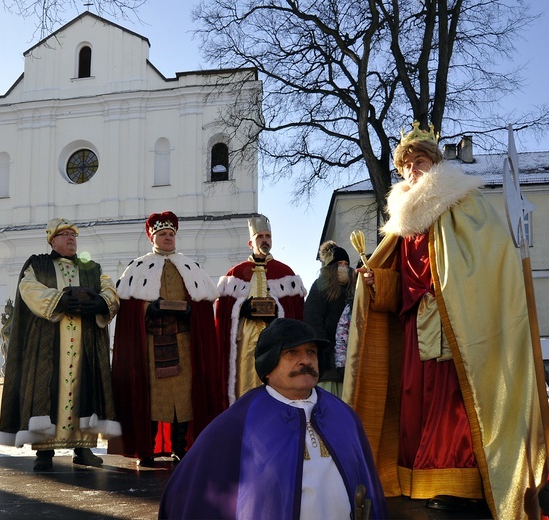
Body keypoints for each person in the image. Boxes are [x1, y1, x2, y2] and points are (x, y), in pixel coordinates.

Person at [343, 122, 546, 518]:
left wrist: (454, 292)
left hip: (459, 325)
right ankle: (420, 478)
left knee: (453, 400)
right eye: (406, 166)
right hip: (417, 326)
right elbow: (400, 284)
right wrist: (376, 281)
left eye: (419, 161)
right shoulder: (403, 224)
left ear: (434, 164)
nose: (413, 170)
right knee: (414, 401)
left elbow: (490, 258)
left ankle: (463, 482)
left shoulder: (462, 204)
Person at [158, 318, 387, 519]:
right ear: (267, 366)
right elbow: (188, 489)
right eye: (292, 352)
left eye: (311, 352)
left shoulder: (343, 416)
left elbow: (368, 488)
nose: (305, 361)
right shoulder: (240, 421)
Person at [0, 217, 121, 471]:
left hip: (85, 342)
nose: (71, 239)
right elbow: (28, 288)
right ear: (52, 240)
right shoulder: (38, 264)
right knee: (48, 390)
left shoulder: (91, 268)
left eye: (74, 235)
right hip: (48, 341)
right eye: (65, 235)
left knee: (85, 390)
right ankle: (44, 452)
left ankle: (83, 448)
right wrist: (60, 300)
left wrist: (99, 303)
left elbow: (109, 290)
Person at [110, 212, 224, 467]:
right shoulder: (138, 267)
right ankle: (147, 449)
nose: (168, 238)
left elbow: (204, 306)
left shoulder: (191, 266)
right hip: (151, 343)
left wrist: (190, 311)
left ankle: (180, 448)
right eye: (163, 234)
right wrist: (147, 309)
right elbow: (128, 309)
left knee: (183, 397)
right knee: (151, 395)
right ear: (153, 237)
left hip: (183, 342)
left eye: (171, 234)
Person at [216, 215, 306, 404]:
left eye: (268, 236)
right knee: (246, 382)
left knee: (276, 380)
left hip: (276, 338)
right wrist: (242, 308)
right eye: (260, 237)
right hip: (246, 338)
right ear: (251, 243)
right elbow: (223, 309)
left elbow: (296, 309)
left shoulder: (284, 272)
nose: (265, 240)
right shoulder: (236, 273)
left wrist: (278, 312)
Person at [304, 240, 356, 397]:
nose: (344, 266)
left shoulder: (354, 288)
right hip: (328, 358)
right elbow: (313, 319)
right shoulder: (321, 285)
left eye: (346, 263)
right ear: (332, 266)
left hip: (351, 354)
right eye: (340, 263)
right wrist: (322, 350)